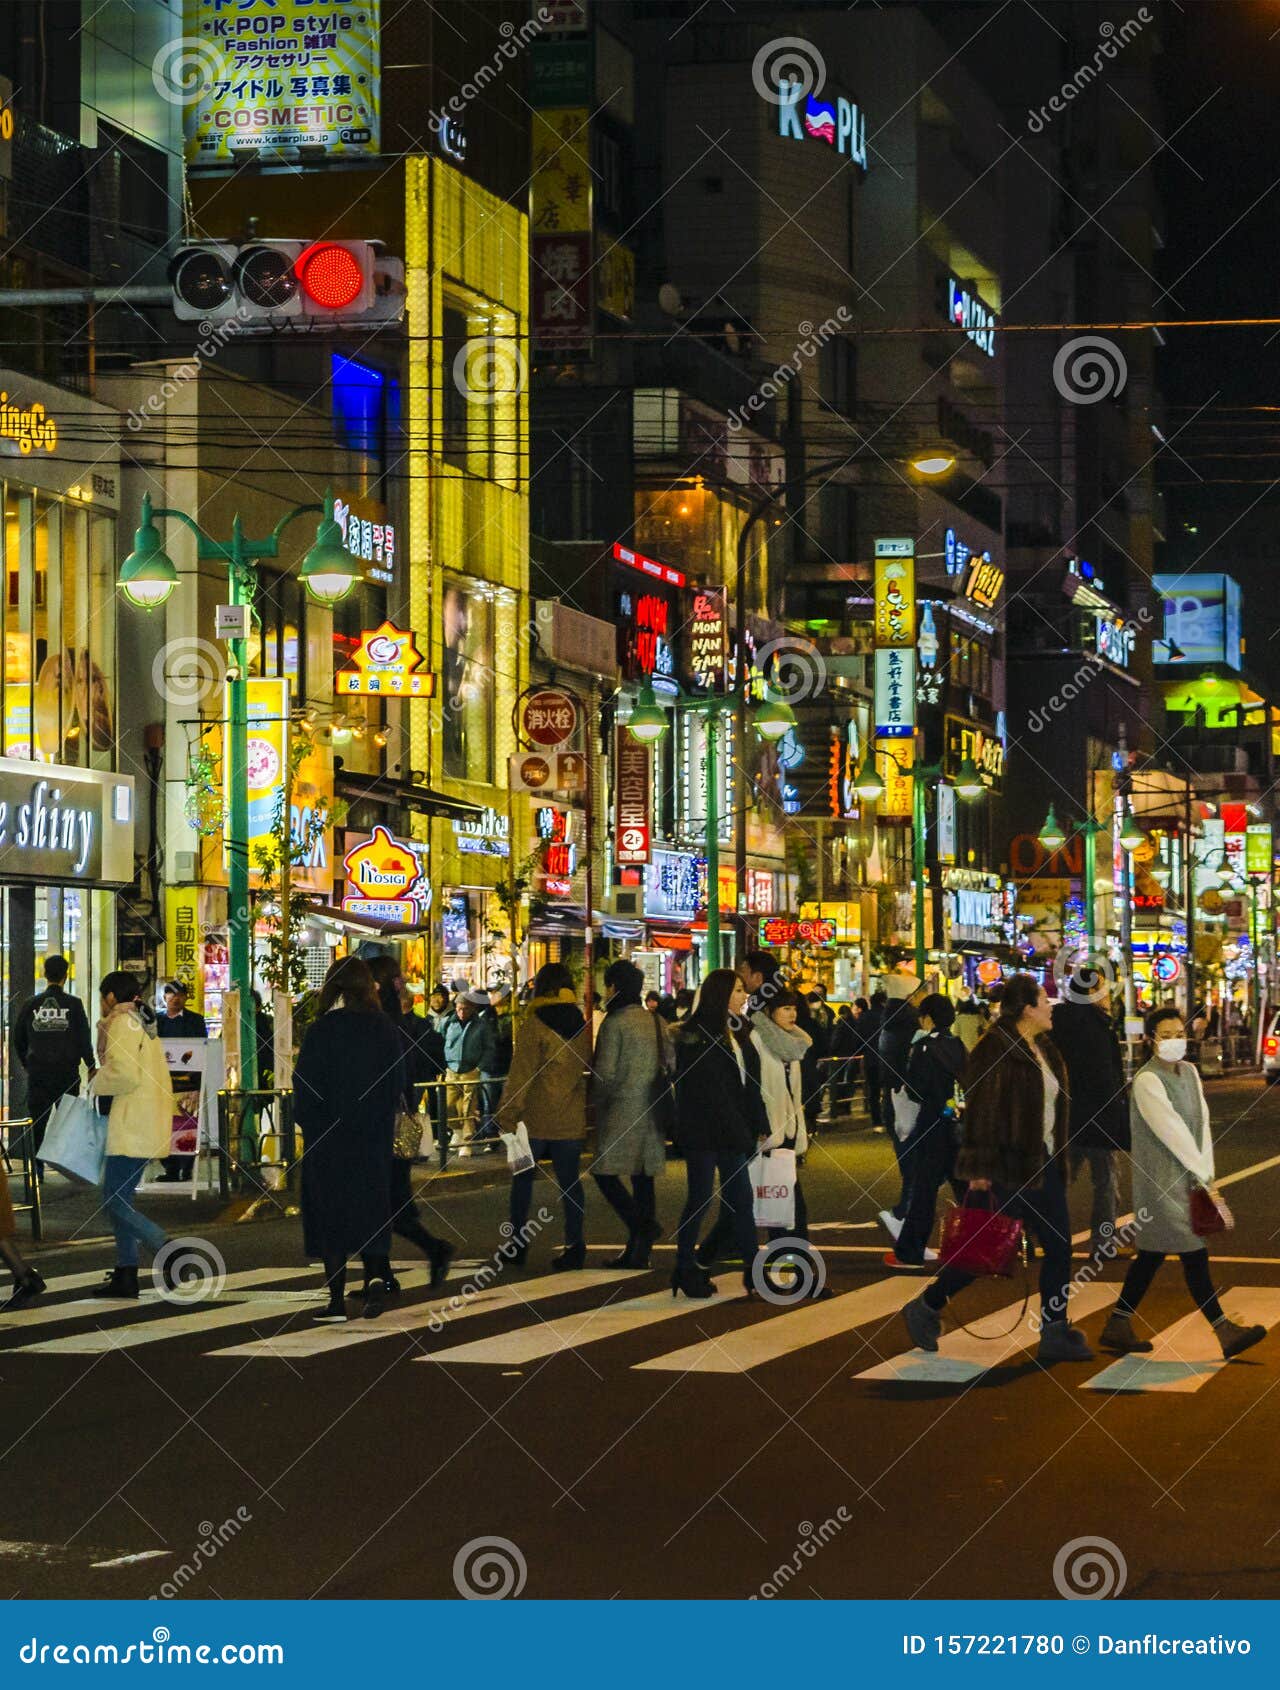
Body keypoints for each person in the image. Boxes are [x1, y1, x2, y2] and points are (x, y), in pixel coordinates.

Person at [902, 974, 1095, 1364]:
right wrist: (979, 1166)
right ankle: (927, 1305)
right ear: (1026, 1008)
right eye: (1044, 1000)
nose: (1050, 1007)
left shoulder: (1042, 1048)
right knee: (986, 1250)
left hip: (1042, 1161)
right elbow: (981, 1111)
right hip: (1007, 1165)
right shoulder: (996, 1047)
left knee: (1059, 1247)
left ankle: (1054, 1330)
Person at [1098, 1007, 1266, 1360]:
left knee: (1152, 1255)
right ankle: (1224, 1331)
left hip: (1187, 1180)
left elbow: (1202, 1125)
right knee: (1193, 1253)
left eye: (1179, 1034)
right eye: (1166, 1035)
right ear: (1149, 1040)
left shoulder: (1190, 1072)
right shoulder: (1147, 1080)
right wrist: (1204, 1176)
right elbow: (1173, 1133)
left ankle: (1118, 1323)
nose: (1175, 1041)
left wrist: (1207, 1173)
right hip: (1160, 1184)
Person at [294, 957, 405, 1323]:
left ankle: (336, 1298)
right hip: (371, 1137)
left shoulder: (322, 1030)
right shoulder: (383, 1028)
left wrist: (309, 1122)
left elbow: (305, 1084)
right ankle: (374, 1276)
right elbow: (396, 1081)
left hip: (328, 1137)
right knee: (370, 1208)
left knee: (330, 1216)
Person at [671, 969, 768, 1299]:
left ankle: (753, 1272)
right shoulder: (695, 1035)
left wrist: (760, 1123)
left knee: (742, 1200)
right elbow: (712, 1092)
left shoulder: (739, 1031)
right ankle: (685, 1266)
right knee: (700, 1199)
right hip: (704, 1130)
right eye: (738, 990)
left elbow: (750, 1085)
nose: (744, 996)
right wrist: (744, 1131)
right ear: (721, 995)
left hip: (733, 1130)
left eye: (743, 990)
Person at [367, 956, 455, 1290]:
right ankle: (385, 1272)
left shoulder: (386, 1024)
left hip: (385, 1125)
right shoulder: (399, 1023)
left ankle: (430, 1250)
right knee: (388, 1204)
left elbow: (396, 1077)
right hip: (394, 1122)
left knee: (384, 1204)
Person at [88, 971, 176, 1299]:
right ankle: (126, 1274)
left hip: (131, 1123)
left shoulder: (123, 1024)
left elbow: (124, 1075)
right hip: (144, 1120)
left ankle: (164, 1245)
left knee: (113, 1198)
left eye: (102, 997)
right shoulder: (142, 1022)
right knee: (120, 1199)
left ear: (112, 996)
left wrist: (96, 1079)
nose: (101, 1004)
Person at [498, 962, 592, 1269]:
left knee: (522, 1181)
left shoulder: (534, 1023)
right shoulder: (581, 1023)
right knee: (570, 1184)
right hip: (569, 1118)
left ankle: (517, 1244)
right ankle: (575, 1245)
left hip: (533, 1120)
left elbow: (521, 1074)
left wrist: (507, 1114)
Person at [751, 990, 830, 1298]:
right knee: (780, 1210)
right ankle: (793, 1276)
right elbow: (753, 1088)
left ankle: (789, 1275)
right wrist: (761, 1127)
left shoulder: (794, 1044)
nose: (792, 1014)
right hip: (767, 1137)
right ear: (769, 1012)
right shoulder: (758, 1041)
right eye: (785, 1009)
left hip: (784, 1136)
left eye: (794, 1009)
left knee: (781, 1209)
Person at [591, 959, 668, 1268]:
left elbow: (604, 1074)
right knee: (643, 1177)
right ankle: (639, 1251)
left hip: (622, 1109)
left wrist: (597, 1105)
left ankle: (642, 1226)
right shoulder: (655, 1020)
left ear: (613, 987)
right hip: (654, 1109)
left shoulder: (615, 1022)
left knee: (604, 1172)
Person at [1051, 971, 1129, 1264]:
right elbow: (1105, 1078)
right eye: (1104, 989)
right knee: (1106, 1184)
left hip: (1065, 1117)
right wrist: (1117, 1114)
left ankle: (1046, 1237)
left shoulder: (1058, 1021)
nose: (1108, 995)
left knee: (1058, 1182)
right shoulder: (1098, 1027)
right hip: (1097, 1119)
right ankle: (1103, 1243)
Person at [884, 993, 966, 1269]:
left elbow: (917, 1091)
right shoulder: (958, 1045)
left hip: (932, 1126)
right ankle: (992, 1240)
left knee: (924, 1190)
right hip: (957, 1124)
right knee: (966, 1188)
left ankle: (910, 1252)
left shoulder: (923, 1048)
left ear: (928, 1018)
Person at [11, 954, 95, 1168]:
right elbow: (83, 1037)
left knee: (38, 1122)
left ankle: (36, 1169)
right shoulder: (74, 1005)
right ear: (65, 976)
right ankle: (65, 1164)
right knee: (67, 1120)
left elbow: (18, 1038)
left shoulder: (31, 1004)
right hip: (67, 1073)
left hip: (39, 1073)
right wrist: (91, 1064)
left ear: (44, 974)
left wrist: (27, 1064)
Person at [877, 970, 924, 1237]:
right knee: (918, 1165)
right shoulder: (909, 1025)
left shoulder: (890, 1021)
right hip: (908, 1100)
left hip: (896, 1097)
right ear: (910, 996)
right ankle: (903, 1215)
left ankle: (905, 1215)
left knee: (914, 1165)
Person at [154, 979, 209, 1182]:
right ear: (164, 997)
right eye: (171, 994)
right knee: (164, 1124)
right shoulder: (156, 1021)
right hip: (162, 1081)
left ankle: (187, 1167)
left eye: (179, 995)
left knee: (187, 1123)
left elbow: (201, 1049)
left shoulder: (195, 1020)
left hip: (188, 1082)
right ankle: (170, 1168)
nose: (175, 998)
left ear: (186, 997)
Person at [440, 987, 497, 1155]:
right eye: (459, 1008)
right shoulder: (448, 1022)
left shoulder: (481, 1025)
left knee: (468, 1107)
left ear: (472, 1008)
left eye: (465, 1009)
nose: (461, 1012)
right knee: (449, 1104)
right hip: (451, 1069)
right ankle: (457, 1131)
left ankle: (467, 1140)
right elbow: (440, 1041)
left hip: (471, 1069)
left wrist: (480, 1066)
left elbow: (489, 1048)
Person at [478, 983, 514, 1144]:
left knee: (507, 1104)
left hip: (507, 1065)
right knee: (489, 1104)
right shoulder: (485, 1016)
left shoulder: (513, 1017)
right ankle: (490, 1137)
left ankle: (507, 1135)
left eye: (496, 993)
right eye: (492, 993)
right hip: (489, 1066)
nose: (492, 996)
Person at [829, 1003, 861, 1116]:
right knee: (849, 1083)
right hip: (853, 1056)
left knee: (837, 1083)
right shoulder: (856, 1024)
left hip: (840, 1057)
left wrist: (831, 1051)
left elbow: (835, 1042)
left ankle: (836, 1108)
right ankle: (846, 1107)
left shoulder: (841, 1024)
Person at [861, 990, 887, 1129]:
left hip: (870, 1058)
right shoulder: (888, 1016)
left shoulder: (865, 1017)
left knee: (874, 1091)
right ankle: (889, 1118)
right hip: (887, 1058)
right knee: (889, 1089)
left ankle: (876, 1121)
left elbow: (858, 1038)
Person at [954, 985, 987, 1053]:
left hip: (964, 1049)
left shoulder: (959, 1018)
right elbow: (986, 1028)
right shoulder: (979, 1016)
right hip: (977, 1047)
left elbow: (956, 1034)